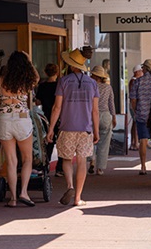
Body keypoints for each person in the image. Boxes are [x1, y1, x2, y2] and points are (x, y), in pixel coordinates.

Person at [47, 49, 100, 206]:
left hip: (66, 127)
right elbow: (95, 111)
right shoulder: (93, 83)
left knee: (67, 159)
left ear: (71, 65)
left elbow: (56, 107)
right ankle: (77, 198)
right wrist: (96, 131)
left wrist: (51, 129)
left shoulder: (63, 81)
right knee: (82, 161)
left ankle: (69, 185)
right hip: (86, 128)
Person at [0, 51, 39, 207]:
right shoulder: (27, 80)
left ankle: (12, 199)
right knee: (27, 159)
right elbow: (37, 77)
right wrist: (29, 60)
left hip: (4, 119)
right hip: (22, 119)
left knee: (11, 161)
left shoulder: (0, 80)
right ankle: (24, 193)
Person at [35, 63, 63, 177]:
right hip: (60, 116)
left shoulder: (42, 86)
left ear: (46, 73)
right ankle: (59, 169)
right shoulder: (60, 85)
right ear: (57, 73)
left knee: (48, 143)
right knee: (61, 142)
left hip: (46, 116)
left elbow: (38, 102)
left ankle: (45, 167)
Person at [90, 65, 116, 176]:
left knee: (89, 139)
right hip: (105, 115)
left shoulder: (89, 86)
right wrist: (114, 117)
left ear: (93, 75)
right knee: (104, 143)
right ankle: (100, 168)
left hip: (91, 115)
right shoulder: (108, 88)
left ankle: (91, 160)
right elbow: (111, 104)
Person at [128, 64, 143, 151]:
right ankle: (135, 142)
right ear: (137, 72)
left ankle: (135, 142)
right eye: (141, 71)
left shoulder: (135, 81)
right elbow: (133, 96)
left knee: (135, 123)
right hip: (135, 104)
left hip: (135, 104)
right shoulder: (134, 81)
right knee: (135, 122)